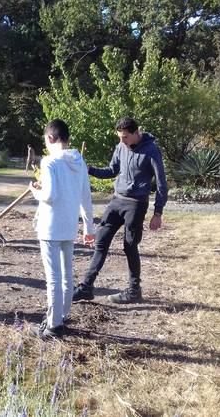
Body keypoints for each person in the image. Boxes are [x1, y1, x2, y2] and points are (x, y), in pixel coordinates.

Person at [73, 117, 168, 304]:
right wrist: (88, 169)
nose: (121, 141)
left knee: (129, 246)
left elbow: (162, 184)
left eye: (125, 137)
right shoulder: (121, 147)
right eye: (119, 137)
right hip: (117, 200)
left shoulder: (151, 150)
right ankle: (86, 288)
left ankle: (134, 291)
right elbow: (111, 171)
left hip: (136, 203)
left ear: (135, 133)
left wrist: (158, 213)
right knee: (101, 241)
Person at [29, 119, 95, 340]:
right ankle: (62, 316)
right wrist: (88, 226)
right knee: (67, 274)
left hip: (50, 227)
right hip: (68, 226)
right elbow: (86, 196)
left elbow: (50, 196)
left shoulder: (49, 162)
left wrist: (34, 191)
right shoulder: (79, 161)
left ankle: (53, 325)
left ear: (50, 138)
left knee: (53, 278)